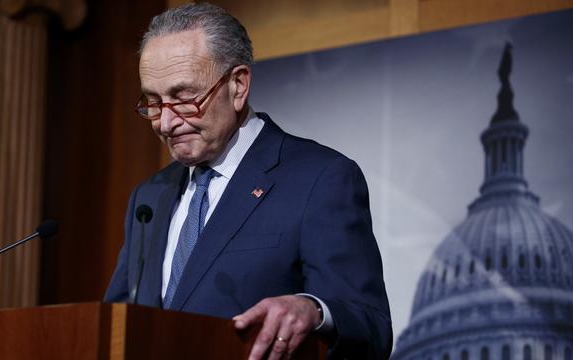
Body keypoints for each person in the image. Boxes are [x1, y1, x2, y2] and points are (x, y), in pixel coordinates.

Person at [104, 3, 392, 359]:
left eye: (183, 99)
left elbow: (371, 325)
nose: (165, 123)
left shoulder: (319, 179)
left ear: (238, 85)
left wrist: (314, 311)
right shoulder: (149, 196)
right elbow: (118, 321)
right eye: (153, 103)